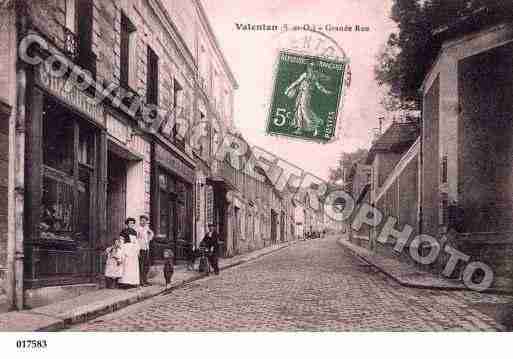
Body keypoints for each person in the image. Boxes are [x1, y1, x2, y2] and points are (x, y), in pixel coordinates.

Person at [137, 215, 154, 286]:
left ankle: (145, 279)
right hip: (140, 248)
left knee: (147, 265)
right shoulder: (138, 228)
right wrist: (137, 249)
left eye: (145, 221)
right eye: (142, 220)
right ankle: (141, 281)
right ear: (140, 221)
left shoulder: (146, 228)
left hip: (146, 248)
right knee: (141, 265)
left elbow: (152, 233)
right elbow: (136, 239)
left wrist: (149, 239)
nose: (143, 222)